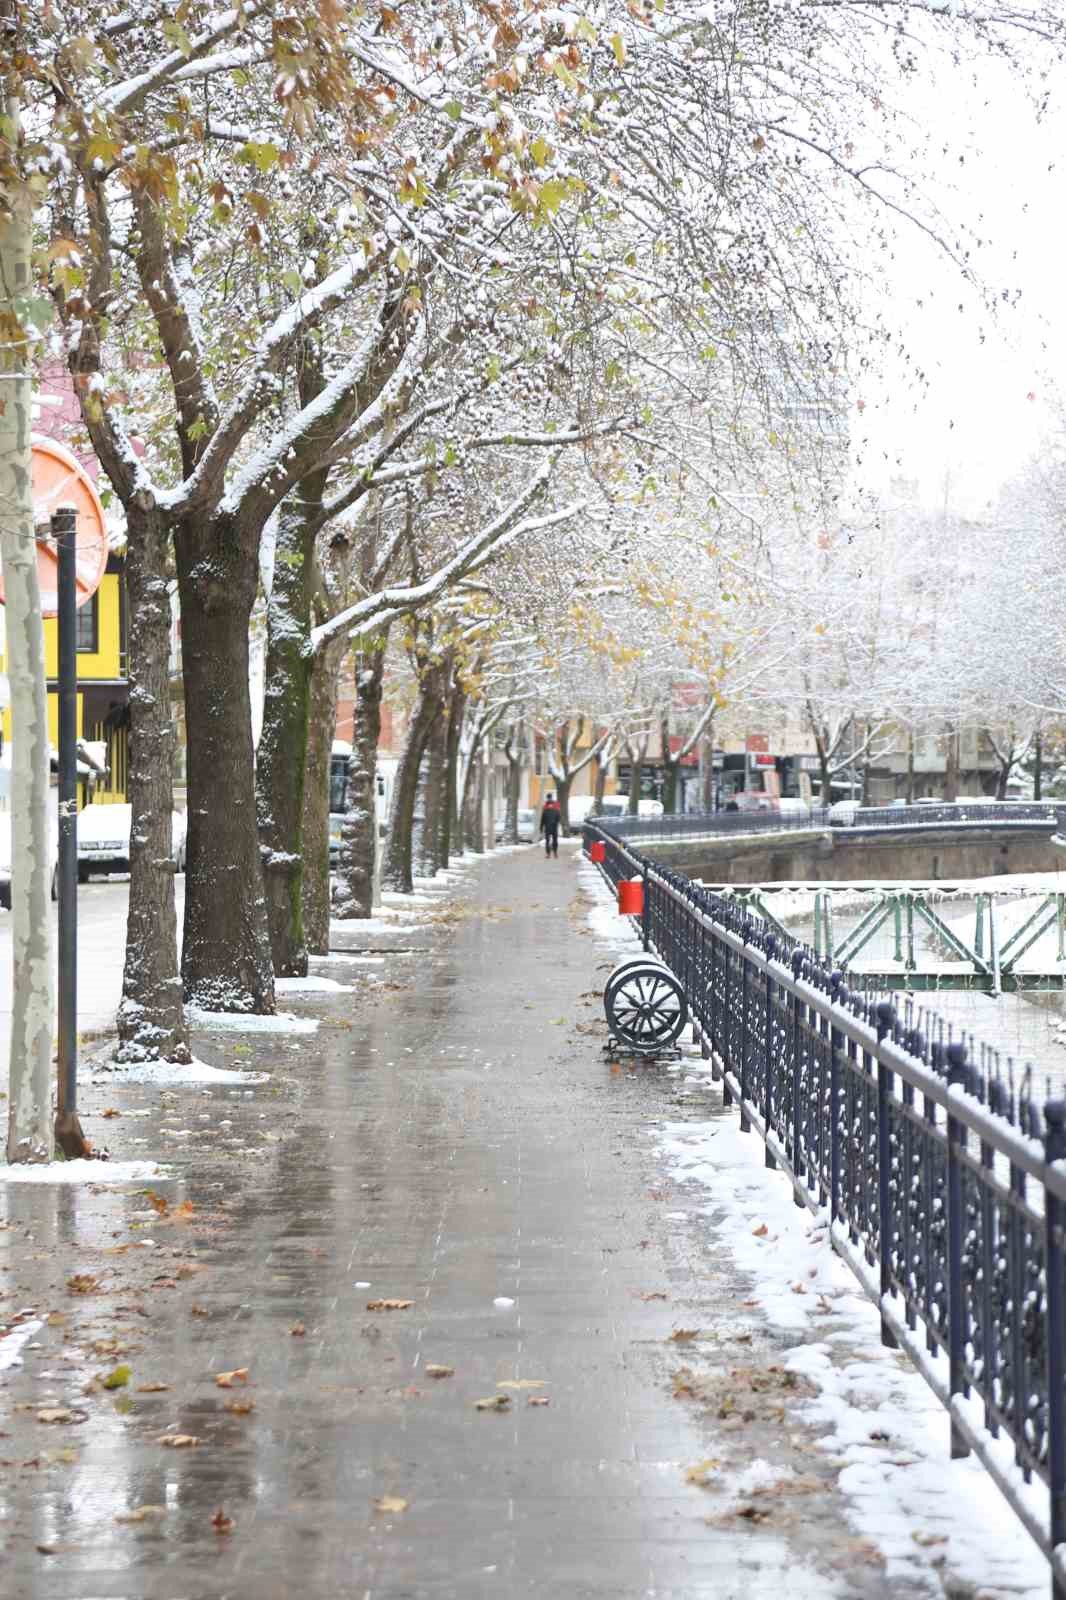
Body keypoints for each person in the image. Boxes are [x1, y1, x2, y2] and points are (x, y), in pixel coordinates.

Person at [540, 793, 561, 857]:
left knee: (547, 841)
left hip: (547, 827)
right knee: (555, 840)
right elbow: (558, 817)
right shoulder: (556, 806)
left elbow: (543, 818)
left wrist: (541, 827)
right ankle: (555, 853)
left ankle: (548, 854)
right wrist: (557, 823)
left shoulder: (545, 807)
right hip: (554, 826)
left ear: (547, 798)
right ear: (552, 797)